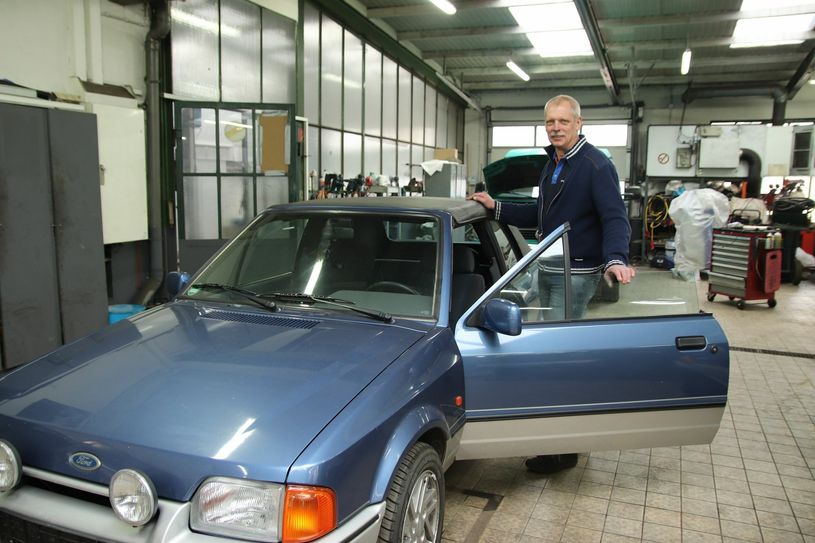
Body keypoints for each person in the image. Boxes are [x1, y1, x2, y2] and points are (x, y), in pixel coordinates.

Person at [468, 94, 635, 473]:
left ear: (579, 123)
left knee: (559, 358)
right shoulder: (554, 164)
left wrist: (616, 258)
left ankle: (562, 449)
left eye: (562, 121)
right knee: (550, 353)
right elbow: (540, 214)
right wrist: (497, 208)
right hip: (548, 267)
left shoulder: (595, 165)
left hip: (574, 274)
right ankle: (557, 435)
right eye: (550, 122)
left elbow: (615, 218)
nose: (556, 127)